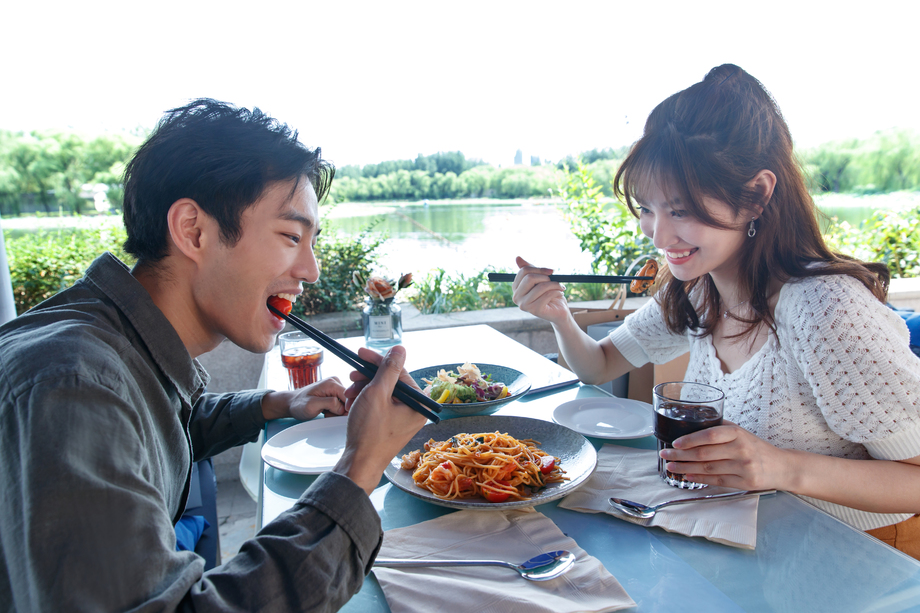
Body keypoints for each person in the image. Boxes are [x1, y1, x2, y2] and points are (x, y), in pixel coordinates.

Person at [0, 99, 428, 611]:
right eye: (292, 236)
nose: (310, 269)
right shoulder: (71, 382)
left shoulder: (115, 351)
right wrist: (362, 463)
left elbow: (164, 425)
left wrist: (278, 403)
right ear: (193, 231)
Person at [513, 65, 920, 558]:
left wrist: (781, 466)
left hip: (866, 556)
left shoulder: (827, 311)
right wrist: (558, 314)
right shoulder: (700, 289)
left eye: (680, 211)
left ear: (756, 194)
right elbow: (597, 365)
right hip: (754, 543)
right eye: (648, 208)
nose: (659, 237)